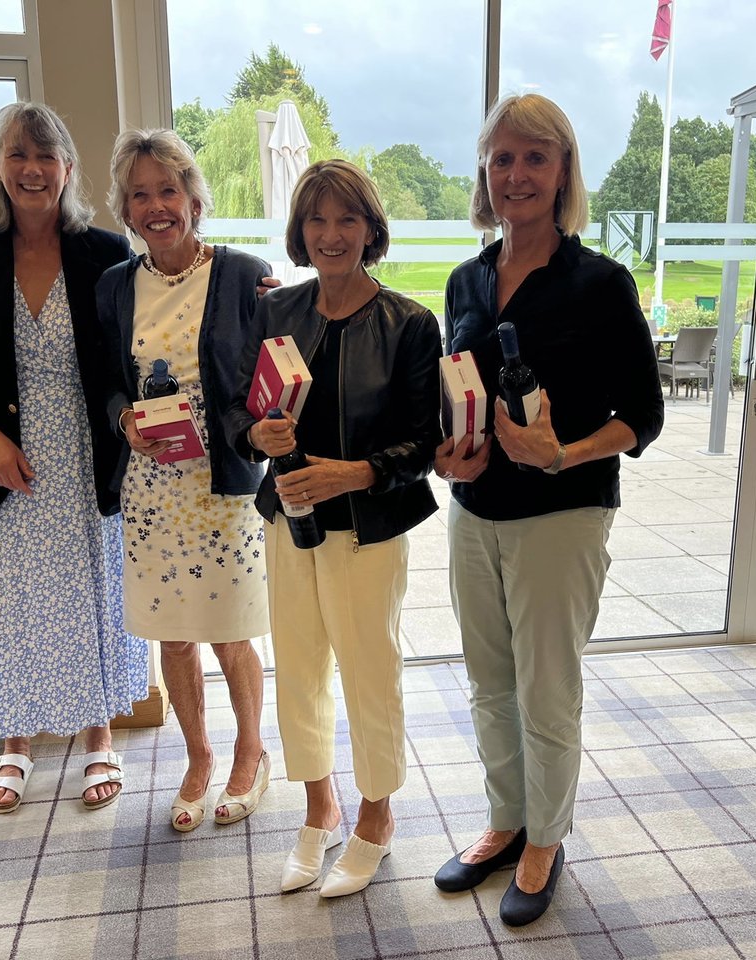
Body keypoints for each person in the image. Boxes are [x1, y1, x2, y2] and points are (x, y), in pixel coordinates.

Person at [431, 94, 664, 926]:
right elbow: (449, 396)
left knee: (546, 690)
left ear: (563, 172)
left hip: (562, 518)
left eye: (535, 158)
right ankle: (506, 819)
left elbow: (644, 414)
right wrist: (443, 451)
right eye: (501, 158)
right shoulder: (465, 279)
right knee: (489, 685)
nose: (516, 174)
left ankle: (546, 838)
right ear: (484, 173)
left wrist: (562, 451)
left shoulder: (599, 283)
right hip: (474, 512)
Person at [0, 101, 148, 814]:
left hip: (88, 463)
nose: (32, 168)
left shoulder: (106, 254)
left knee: (92, 595)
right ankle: (14, 741)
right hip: (2, 468)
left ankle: (97, 733)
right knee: (10, 604)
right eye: (18, 153)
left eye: (46, 156)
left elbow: (152, 337)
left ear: (67, 169)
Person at [224, 160, 441, 898]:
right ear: (300, 231)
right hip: (287, 521)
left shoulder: (410, 323)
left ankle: (377, 816)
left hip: (368, 531)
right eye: (316, 219)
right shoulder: (274, 312)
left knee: (370, 673)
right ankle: (319, 808)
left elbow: (425, 442)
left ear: (371, 229)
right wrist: (259, 437)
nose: (331, 234)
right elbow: (235, 410)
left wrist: (353, 472)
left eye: (347, 218)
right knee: (300, 664)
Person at [97, 129, 272, 833]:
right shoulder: (115, 285)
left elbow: (274, 365)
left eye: (167, 190)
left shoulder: (240, 273)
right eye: (140, 195)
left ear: (193, 199)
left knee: (230, 635)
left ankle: (250, 753)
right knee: (173, 638)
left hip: (220, 484)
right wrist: (122, 423)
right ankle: (198, 758)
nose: (156, 206)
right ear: (127, 209)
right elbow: (104, 383)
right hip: (151, 489)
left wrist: (281, 312)